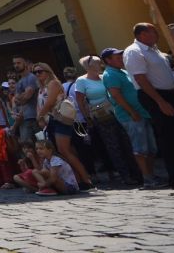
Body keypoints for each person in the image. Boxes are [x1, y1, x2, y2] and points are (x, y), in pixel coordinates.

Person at [124, 22, 174, 189]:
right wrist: (160, 102)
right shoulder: (134, 51)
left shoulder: (156, 51)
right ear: (143, 34)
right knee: (170, 137)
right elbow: (141, 79)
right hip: (154, 95)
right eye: (154, 32)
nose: (157, 35)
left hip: (170, 93)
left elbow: (168, 78)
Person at [74, 55, 141, 187]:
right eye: (98, 62)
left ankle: (136, 172)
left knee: (127, 142)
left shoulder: (104, 76)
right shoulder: (81, 81)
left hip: (117, 112)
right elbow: (80, 101)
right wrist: (87, 118)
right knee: (113, 145)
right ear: (89, 66)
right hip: (102, 116)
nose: (101, 64)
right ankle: (125, 175)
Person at [102, 47, 164, 189]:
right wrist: (131, 112)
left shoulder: (122, 71)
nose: (121, 58)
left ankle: (151, 175)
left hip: (142, 113)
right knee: (141, 147)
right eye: (117, 57)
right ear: (108, 60)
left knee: (151, 147)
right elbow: (116, 95)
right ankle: (147, 178)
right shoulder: (110, 74)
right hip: (131, 116)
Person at [33, 61, 92, 189]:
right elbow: (39, 105)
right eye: (35, 72)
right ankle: (76, 179)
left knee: (64, 150)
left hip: (60, 119)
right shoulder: (41, 88)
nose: (37, 74)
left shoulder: (53, 83)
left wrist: (39, 116)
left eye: (40, 71)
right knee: (64, 152)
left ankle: (86, 179)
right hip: (50, 122)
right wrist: (40, 118)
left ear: (47, 72)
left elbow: (49, 102)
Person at [11, 56, 40, 143]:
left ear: (25, 64)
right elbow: (16, 100)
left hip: (34, 117)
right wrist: (21, 97)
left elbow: (27, 96)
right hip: (23, 118)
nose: (16, 65)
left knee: (41, 145)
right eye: (14, 63)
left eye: (18, 63)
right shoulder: (20, 81)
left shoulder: (31, 77)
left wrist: (21, 97)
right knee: (27, 146)